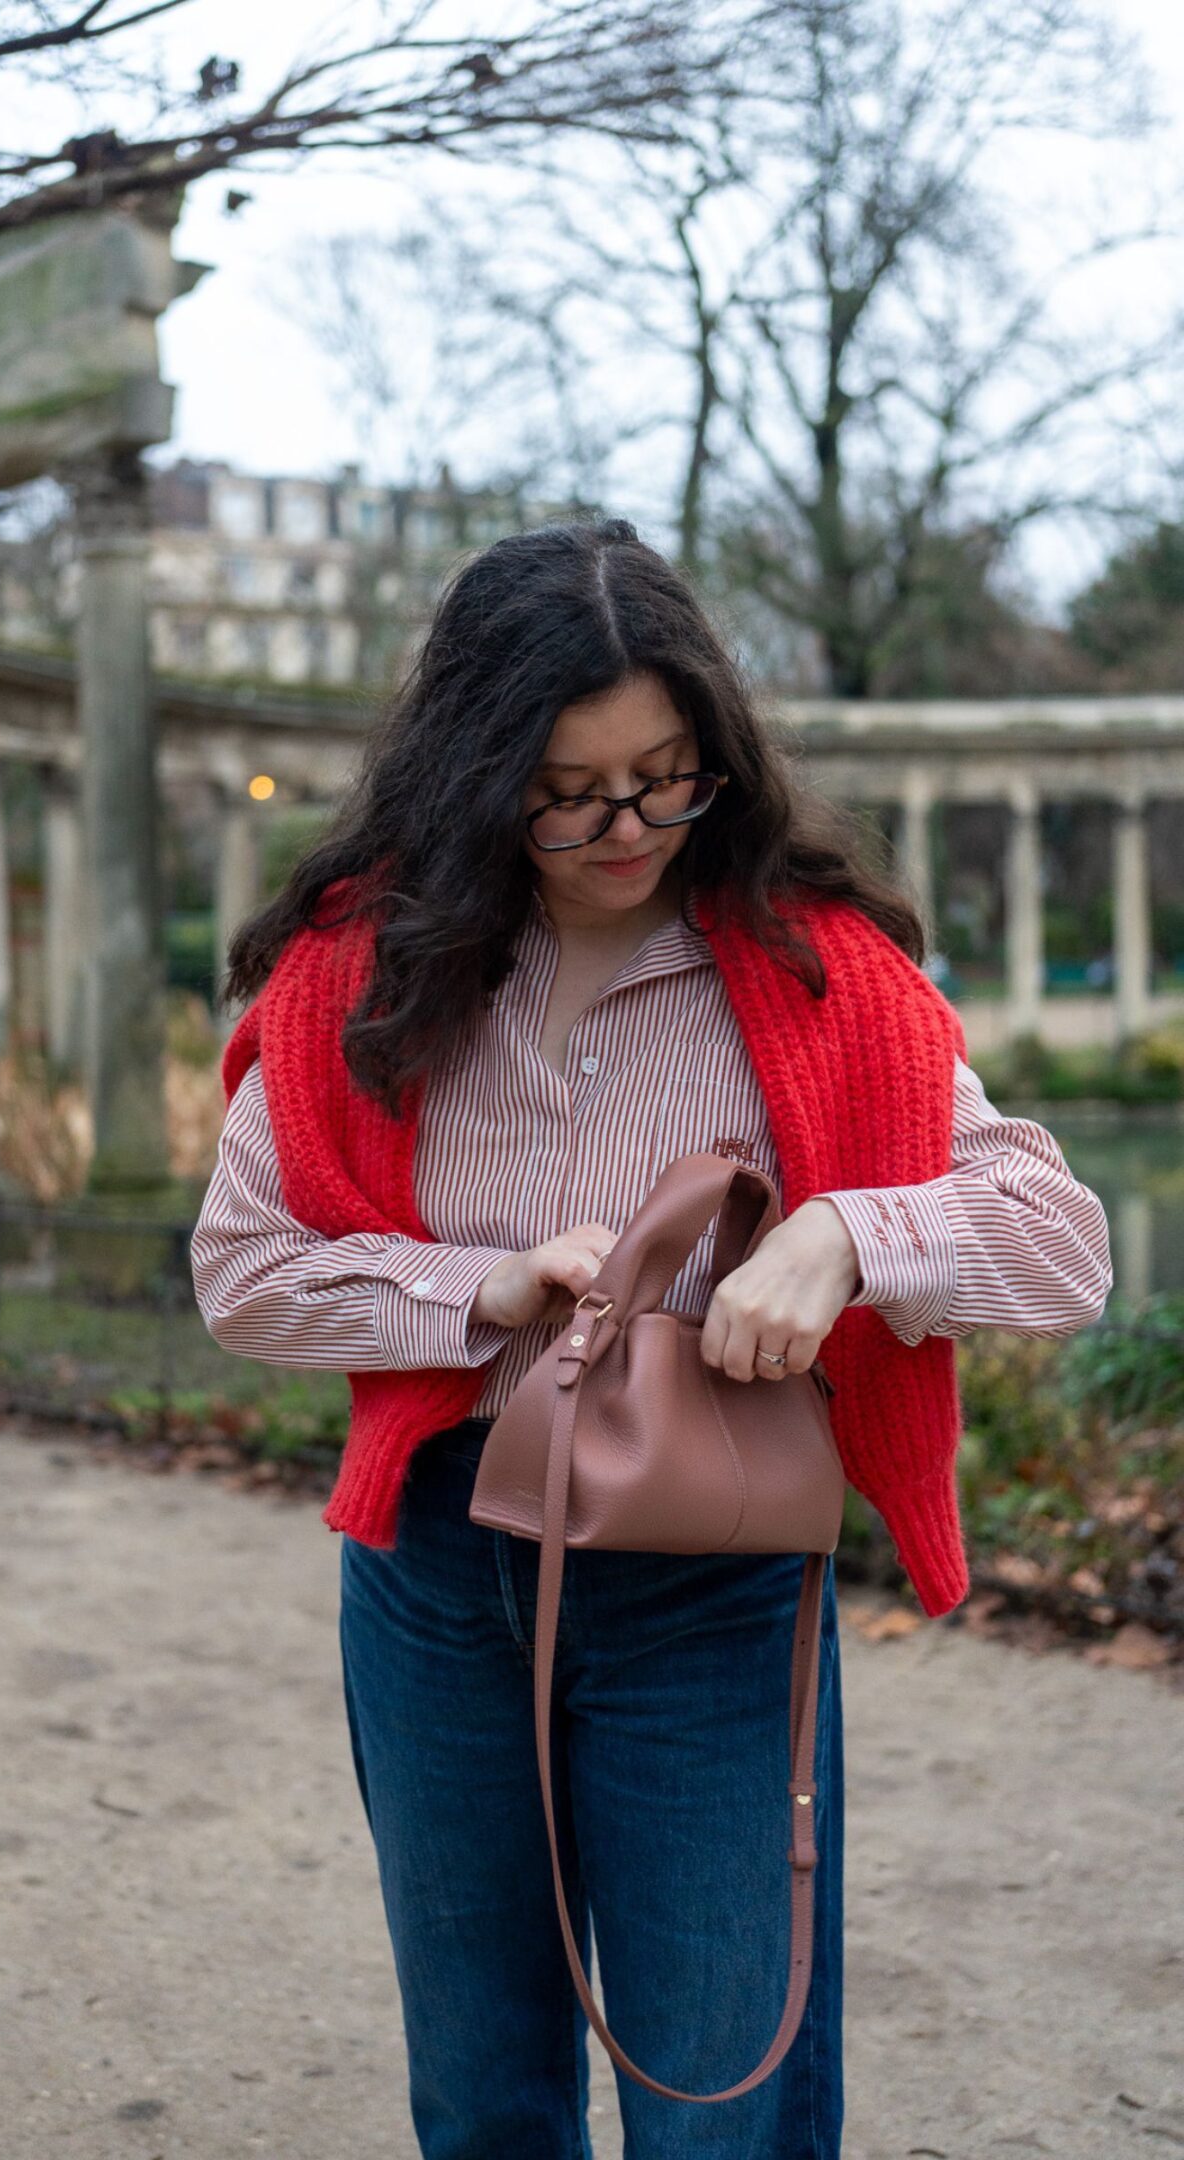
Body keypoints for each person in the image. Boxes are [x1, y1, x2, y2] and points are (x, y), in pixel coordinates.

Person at [189, 518, 1113, 2160]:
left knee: (723, 2106)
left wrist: (847, 1234)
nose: (628, 827)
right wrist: (476, 1287)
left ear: (722, 758)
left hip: (711, 1587)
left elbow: (1063, 1246)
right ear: (479, 775)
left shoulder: (827, 979)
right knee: (482, 2097)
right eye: (569, 789)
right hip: (433, 1576)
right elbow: (247, 1271)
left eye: (667, 776)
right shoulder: (364, 976)